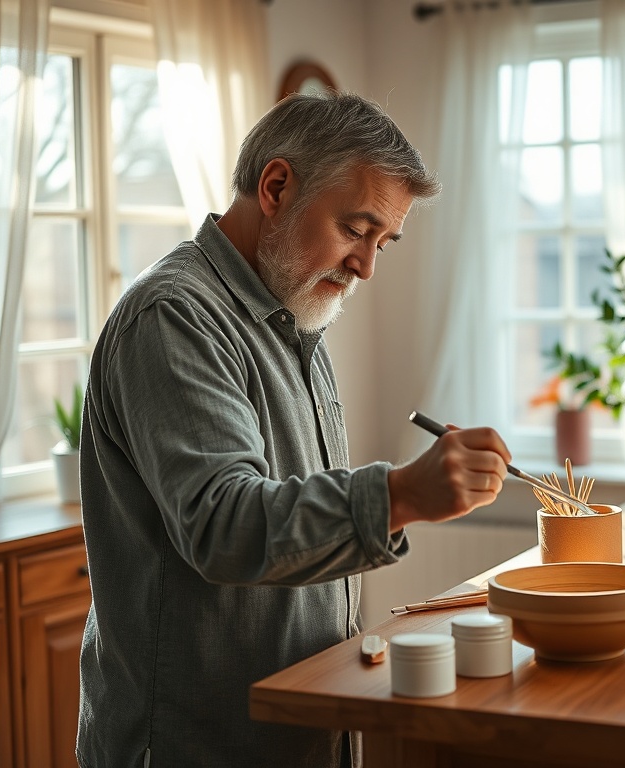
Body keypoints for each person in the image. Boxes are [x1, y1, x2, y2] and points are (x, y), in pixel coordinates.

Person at [76, 92, 511, 768]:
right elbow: (224, 525)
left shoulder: (294, 315)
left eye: (382, 242)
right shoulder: (173, 317)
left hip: (296, 731)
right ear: (276, 186)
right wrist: (401, 494)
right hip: (200, 744)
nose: (366, 264)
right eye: (355, 229)